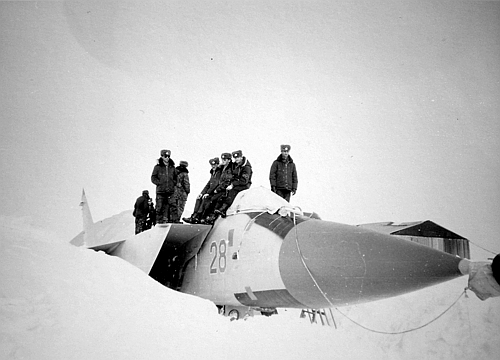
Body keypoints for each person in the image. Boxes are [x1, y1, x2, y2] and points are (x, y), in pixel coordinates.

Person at [213, 150, 252, 219]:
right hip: (236, 183)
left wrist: (233, 184)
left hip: (243, 185)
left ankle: (224, 209)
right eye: (235, 158)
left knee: (232, 192)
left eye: (238, 157)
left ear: (241, 157)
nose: (236, 159)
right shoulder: (236, 165)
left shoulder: (246, 167)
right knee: (223, 192)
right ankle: (216, 212)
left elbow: (244, 181)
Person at [183, 157, 221, 224]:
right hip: (211, 192)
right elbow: (208, 185)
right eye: (212, 165)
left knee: (205, 199)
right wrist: (202, 193)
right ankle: (194, 216)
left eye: (215, 165)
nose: (213, 166)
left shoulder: (219, 173)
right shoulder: (213, 173)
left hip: (215, 192)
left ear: (218, 164)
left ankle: (198, 216)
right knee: (199, 198)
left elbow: (215, 184)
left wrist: (208, 193)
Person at [202, 153, 234, 224]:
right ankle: (205, 217)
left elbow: (227, 181)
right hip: (220, 189)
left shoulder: (229, 169)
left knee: (215, 200)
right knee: (211, 200)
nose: (223, 161)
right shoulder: (223, 168)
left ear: (229, 160)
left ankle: (211, 217)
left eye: (225, 160)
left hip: (223, 189)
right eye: (222, 159)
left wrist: (218, 189)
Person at [151, 149, 177, 224]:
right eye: (165, 156)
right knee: (159, 207)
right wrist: (159, 183)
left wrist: (173, 183)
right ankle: (159, 222)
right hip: (160, 191)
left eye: (168, 156)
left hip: (170, 191)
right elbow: (153, 177)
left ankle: (175, 221)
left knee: (173, 206)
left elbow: (176, 177)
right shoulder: (157, 167)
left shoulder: (172, 167)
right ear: (162, 156)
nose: (167, 158)